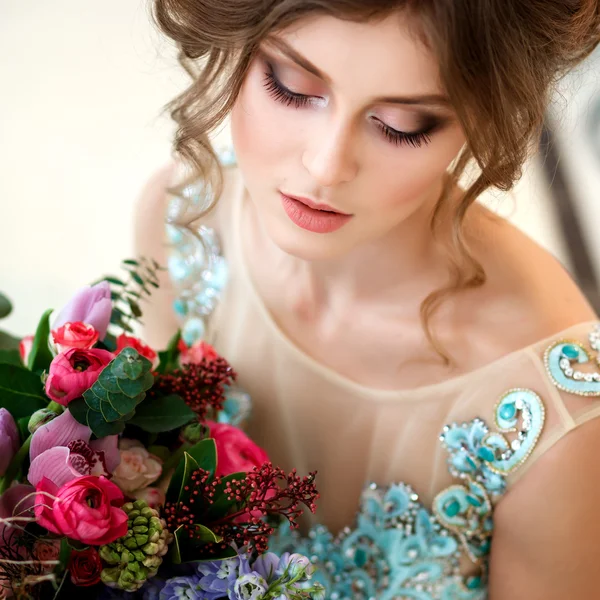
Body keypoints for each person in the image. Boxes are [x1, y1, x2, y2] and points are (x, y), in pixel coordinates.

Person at [135, 1, 600, 598]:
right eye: (292, 87)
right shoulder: (183, 225)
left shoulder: (557, 420)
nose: (326, 166)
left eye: (402, 125)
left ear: (483, 112)